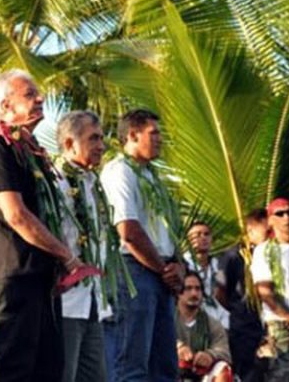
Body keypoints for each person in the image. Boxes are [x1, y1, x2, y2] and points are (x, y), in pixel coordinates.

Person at [0, 70, 82, 381]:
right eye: (30, 94)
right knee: (15, 370)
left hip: (42, 277)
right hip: (16, 276)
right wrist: (66, 255)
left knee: (49, 370)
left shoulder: (29, 149)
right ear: (6, 106)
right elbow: (16, 215)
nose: (40, 99)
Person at [100, 108, 184, 382]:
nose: (160, 139)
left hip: (161, 271)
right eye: (154, 133)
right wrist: (164, 269)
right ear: (133, 135)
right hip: (135, 271)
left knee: (164, 366)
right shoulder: (120, 171)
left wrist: (178, 266)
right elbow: (128, 230)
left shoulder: (153, 177)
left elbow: (169, 229)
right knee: (131, 364)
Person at [55, 110, 117, 382]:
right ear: (69, 143)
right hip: (66, 300)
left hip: (93, 298)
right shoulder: (54, 182)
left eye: (101, 138)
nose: (101, 146)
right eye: (93, 139)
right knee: (63, 375)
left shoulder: (93, 183)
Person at [216, 209, 267, 381]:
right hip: (244, 327)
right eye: (266, 231)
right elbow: (220, 292)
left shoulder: (273, 254)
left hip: (270, 326)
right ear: (251, 230)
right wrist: (239, 310)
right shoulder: (233, 256)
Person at [251, 198, 289, 381]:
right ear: (270, 220)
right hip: (281, 326)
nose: (287, 217)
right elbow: (265, 294)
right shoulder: (264, 251)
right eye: (280, 213)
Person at [176, 271, 233, 382]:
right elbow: (157, 341)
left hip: (201, 375)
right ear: (179, 292)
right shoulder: (166, 320)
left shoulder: (212, 324)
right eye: (188, 288)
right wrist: (178, 347)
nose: (194, 293)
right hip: (170, 373)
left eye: (198, 289)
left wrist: (210, 355)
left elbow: (224, 351)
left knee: (223, 369)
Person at [185, 221, 229, 328]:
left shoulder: (219, 263)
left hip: (220, 319)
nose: (203, 238)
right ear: (188, 240)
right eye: (198, 235)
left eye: (207, 234)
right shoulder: (183, 264)